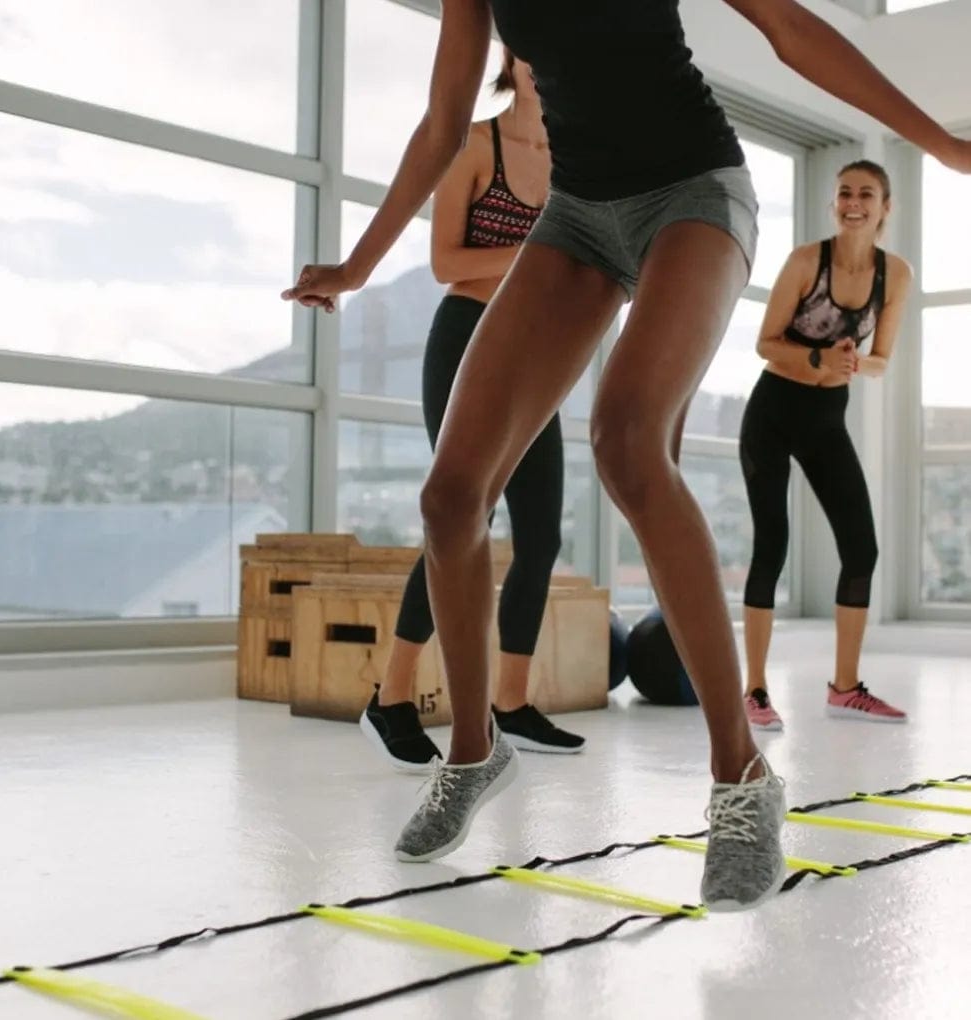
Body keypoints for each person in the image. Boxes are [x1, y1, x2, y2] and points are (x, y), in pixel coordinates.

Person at [284, 0, 971, 911]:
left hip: (695, 193)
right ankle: (474, 752)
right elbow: (447, 116)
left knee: (626, 442)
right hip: (576, 217)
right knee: (451, 498)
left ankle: (741, 775)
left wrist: (950, 149)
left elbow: (792, 29)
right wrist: (362, 263)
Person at [360, 49, 585, 773]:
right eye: (533, 50)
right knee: (461, 523)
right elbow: (448, 263)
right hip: (465, 340)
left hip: (536, 353)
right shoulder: (475, 147)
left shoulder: (581, 158)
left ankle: (510, 705)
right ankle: (390, 698)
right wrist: (535, 249)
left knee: (542, 534)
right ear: (515, 62)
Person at [740, 160, 913, 732]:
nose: (853, 202)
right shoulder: (805, 261)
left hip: (826, 419)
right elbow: (766, 344)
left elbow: (883, 357)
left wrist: (856, 364)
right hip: (772, 412)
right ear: (834, 203)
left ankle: (844, 688)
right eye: (844, 193)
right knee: (773, 545)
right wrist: (817, 357)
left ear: (886, 207)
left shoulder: (896, 275)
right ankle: (756, 690)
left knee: (861, 548)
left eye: (866, 193)